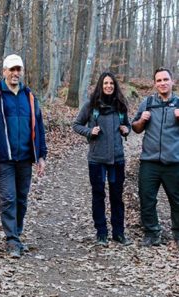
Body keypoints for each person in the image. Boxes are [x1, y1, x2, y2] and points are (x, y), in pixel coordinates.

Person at [0, 54, 47, 258]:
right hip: (3, 159)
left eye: (19, 69)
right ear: (4, 71)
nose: (16, 73)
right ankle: (12, 241)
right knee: (8, 198)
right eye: (12, 69)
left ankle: (16, 233)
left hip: (25, 157)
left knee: (21, 199)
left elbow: (39, 127)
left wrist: (41, 155)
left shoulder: (29, 96)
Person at [73, 71, 132, 246]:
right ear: (100, 85)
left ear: (115, 86)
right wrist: (90, 132)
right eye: (105, 83)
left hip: (117, 159)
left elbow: (127, 125)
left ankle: (118, 233)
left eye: (111, 84)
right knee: (98, 195)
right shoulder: (91, 106)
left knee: (117, 196)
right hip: (97, 159)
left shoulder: (120, 105)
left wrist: (126, 130)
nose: (108, 86)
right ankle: (101, 233)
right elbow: (76, 125)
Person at [132, 67, 179, 247]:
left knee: (176, 200)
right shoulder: (148, 102)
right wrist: (142, 120)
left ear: (172, 81)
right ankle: (152, 233)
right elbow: (135, 128)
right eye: (159, 80)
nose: (162, 83)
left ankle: (177, 234)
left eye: (165, 79)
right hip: (149, 162)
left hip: (174, 162)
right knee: (147, 198)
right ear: (154, 84)